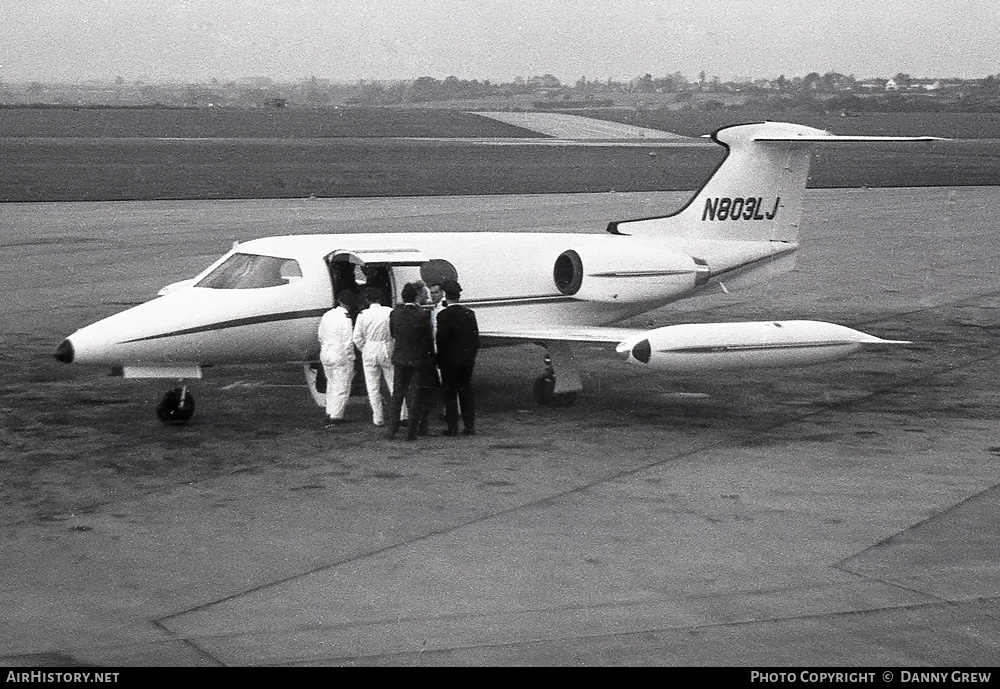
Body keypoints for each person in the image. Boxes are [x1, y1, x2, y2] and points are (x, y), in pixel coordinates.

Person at [387, 282, 436, 441]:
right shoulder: (421, 315)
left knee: (397, 394)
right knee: (415, 396)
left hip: (400, 358)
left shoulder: (396, 313)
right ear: (416, 296)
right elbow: (427, 340)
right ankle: (411, 431)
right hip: (416, 360)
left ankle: (392, 429)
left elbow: (393, 334)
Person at [352, 286, 403, 427]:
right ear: (380, 299)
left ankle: (378, 418)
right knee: (394, 383)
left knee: (372, 386)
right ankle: (402, 414)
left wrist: (365, 349)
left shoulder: (362, 315)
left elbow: (357, 337)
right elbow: (395, 332)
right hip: (386, 347)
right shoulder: (389, 311)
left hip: (370, 348)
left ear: (367, 300)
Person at [435, 280, 480, 436]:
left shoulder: (443, 315)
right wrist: (470, 357)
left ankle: (452, 426)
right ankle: (469, 425)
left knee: (450, 394)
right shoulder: (469, 314)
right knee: (466, 392)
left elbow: (441, 340)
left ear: (446, 296)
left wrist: (439, 360)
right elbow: (475, 339)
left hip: (449, 361)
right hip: (466, 360)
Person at [317, 290, 357, 425]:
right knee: (342, 386)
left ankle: (329, 411)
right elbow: (348, 341)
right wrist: (351, 358)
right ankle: (336, 416)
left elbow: (320, 335)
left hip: (326, 352)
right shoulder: (346, 318)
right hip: (340, 355)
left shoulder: (327, 315)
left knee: (331, 384)